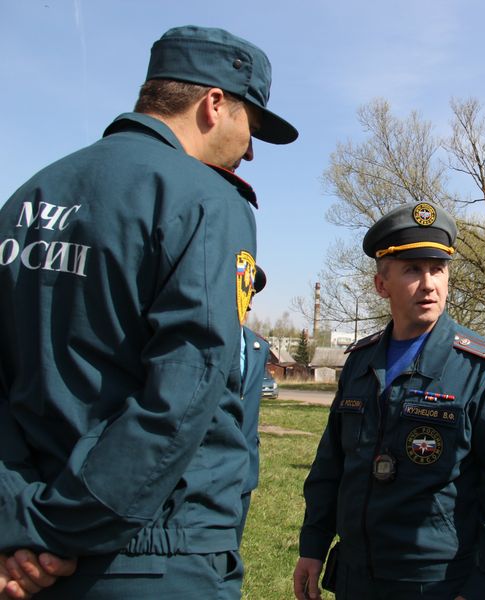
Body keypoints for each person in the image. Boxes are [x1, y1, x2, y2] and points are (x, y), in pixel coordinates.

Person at [0, 25, 297, 599]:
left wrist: (18, 521)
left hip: (25, 561)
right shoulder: (205, 198)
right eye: (251, 125)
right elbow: (184, 390)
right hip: (150, 552)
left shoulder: (28, 196)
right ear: (214, 105)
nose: (251, 149)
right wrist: (66, 528)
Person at [294, 202, 485, 600]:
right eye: (413, 269)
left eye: (438, 269)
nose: (429, 283)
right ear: (382, 285)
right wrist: (313, 545)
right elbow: (331, 466)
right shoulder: (361, 362)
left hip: (436, 583)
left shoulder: (483, 368)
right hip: (356, 578)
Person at [238, 267, 272, 543]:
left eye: (249, 293)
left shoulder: (256, 347)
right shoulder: (201, 343)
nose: (247, 302)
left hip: (243, 473)